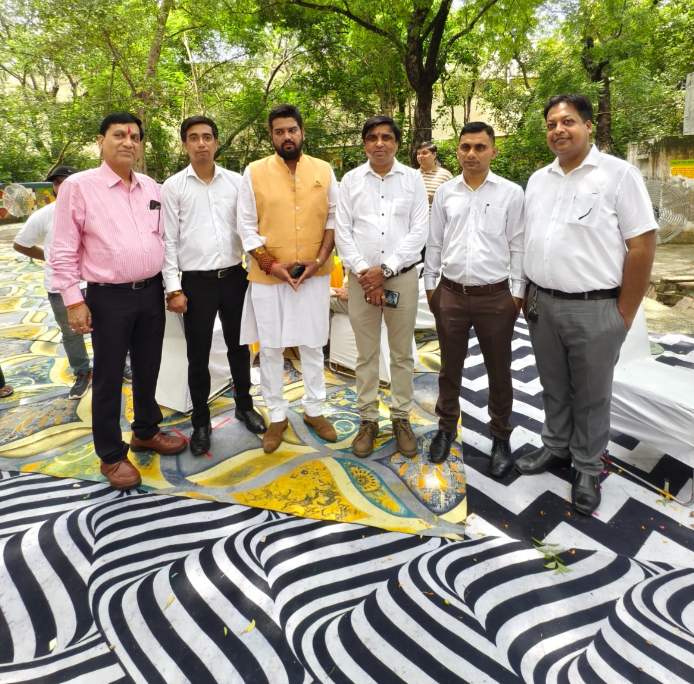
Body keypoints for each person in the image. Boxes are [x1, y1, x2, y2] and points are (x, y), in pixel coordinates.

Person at [517, 94, 657, 515]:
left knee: (592, 395)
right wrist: (526, 292)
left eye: (568, 122)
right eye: (551, 124)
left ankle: (587, 466)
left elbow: (642, 245)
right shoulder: (538, 180)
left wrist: (623, 313)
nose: (558, 130)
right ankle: (556, 446)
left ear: (588, 126)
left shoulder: (618, 175)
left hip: (595, 308)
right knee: (553, 384)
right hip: (542, 304)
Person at [49, 112, 186, 490]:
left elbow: (163, 240)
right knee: (109, 376)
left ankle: (146, 431)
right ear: (101, 141)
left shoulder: (151, 188)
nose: (128, 142)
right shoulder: (78, 187)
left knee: (148, 367)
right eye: (119, 135)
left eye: (135, 137)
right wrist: (73, 300)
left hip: (151, 293)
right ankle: (111, 454)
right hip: (108, 297)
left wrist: (171, 286)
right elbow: (62, 249)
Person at [424, 122, 524, 475]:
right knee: (449, 369)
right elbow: (434, 242)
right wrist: (431, 287)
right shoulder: (446, 193)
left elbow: (518, 245)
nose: (471, 154)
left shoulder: (511, 193)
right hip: (451, 294)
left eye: (480, 147)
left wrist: (517, 294)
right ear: (457, 151)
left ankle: (500, 436)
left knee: (499, 370)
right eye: (465, 147)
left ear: (493, 151)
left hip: (495, 298)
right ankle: (445, 428)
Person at [237, 104, 338, 453]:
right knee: (270, 347)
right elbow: (245, 226)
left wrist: (320, 260)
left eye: (292, 130)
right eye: (279, 132)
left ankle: (314, 409)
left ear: (302, 132)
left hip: (314, 275)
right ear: (271, 136)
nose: (287, 137)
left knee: (312, 343)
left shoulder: (324, 170)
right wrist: (271, 265)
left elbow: (333, 219)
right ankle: (277, 415)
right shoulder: (253, 172)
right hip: (268, 278)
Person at [162, 115, 265, 456]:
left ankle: (244, 406)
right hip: (196, 284)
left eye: (207, 137)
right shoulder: (173, 187)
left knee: (240, 347)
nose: (201, 143)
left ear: (217, 142)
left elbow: (249, 229)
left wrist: (256, 271)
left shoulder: (236, 182)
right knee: (198, 355)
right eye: (194, 137)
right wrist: (174, 288)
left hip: (234, 277)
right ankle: (201, 422)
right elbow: (168, 241)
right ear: (185, 144)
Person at [335, 115, 429, 458]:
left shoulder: (413, 179)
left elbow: (420, 229)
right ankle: (368, 420)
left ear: (397, 143)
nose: (379, 143)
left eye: (386, 137)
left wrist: (386, 270)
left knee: (402, 353)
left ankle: (401, 418)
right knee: (367, 354)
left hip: (401, 277)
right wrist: (366, 272)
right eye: (372, 137)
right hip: (361, 281)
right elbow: (343, 231)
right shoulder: (350, 180)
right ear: (364, 143)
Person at [13, 166, 93, 400]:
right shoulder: (45, 215)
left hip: (95, 283)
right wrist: (49, 257)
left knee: (107, 327)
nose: (62, 186)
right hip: (60, 288)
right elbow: (21, 243)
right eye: (57, 182)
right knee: (71, 332)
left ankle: (117, 366)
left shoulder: (94, 209)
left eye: (67, 180)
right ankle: (82, 372)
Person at [415, 141, 453, 205]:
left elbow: (452, 199)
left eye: (424, 153)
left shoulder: (446, 175)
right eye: (418, 154)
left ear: (434, 155)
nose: (420, 156)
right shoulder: (413, 175)